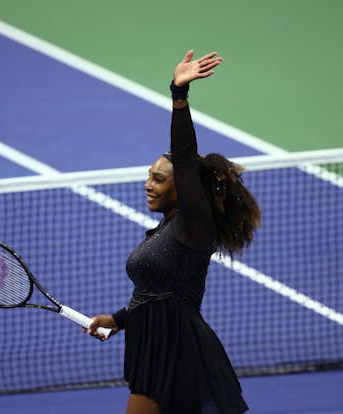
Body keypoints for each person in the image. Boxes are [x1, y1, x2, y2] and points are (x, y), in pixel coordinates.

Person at [86, 50, 260, 414]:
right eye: (149, 176)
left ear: (184, 186)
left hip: (176, 351)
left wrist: (178, 95)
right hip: (153, 347)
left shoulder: (194, 225)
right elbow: (159, 295)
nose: (148, 185)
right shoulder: (166, 228)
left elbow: (184, 154)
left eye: (159, 179)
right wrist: (119, 319)